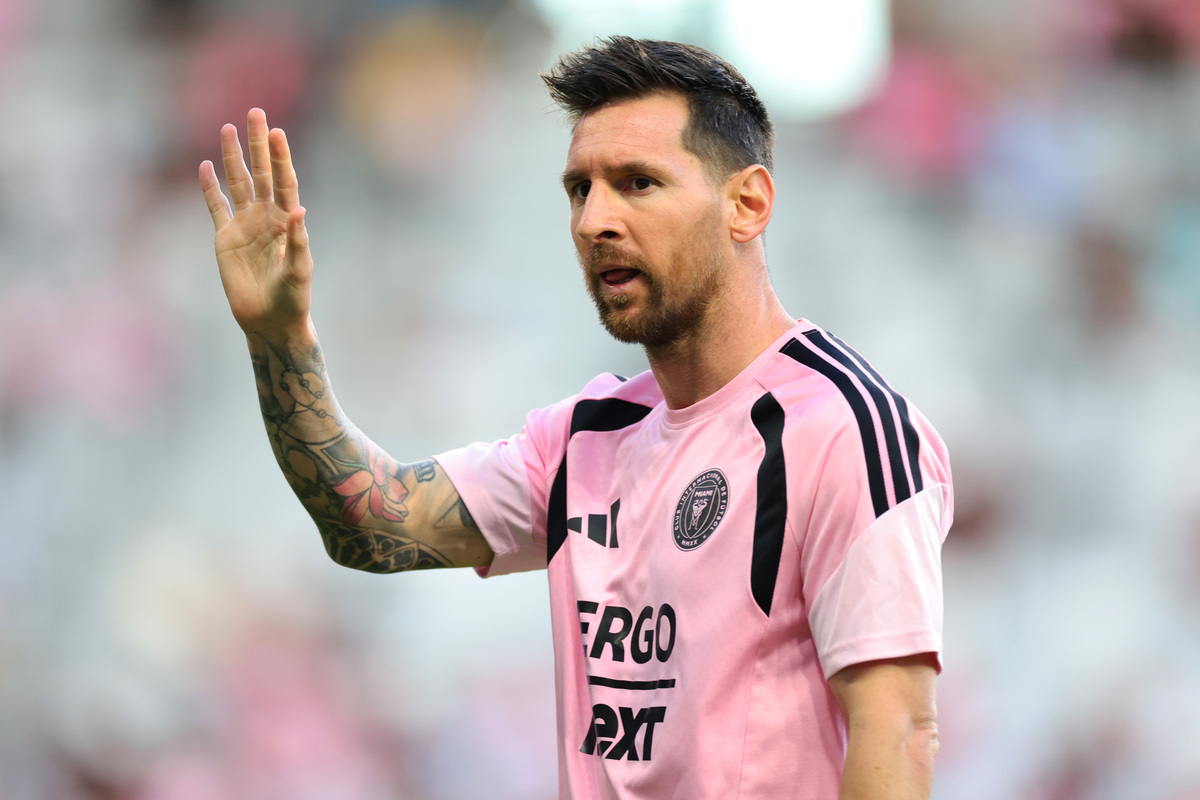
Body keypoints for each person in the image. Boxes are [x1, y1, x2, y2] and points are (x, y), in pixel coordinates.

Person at [199, 35, 952, 800]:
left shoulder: (843, 429)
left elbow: (898, 731)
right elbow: (369, 522)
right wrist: (279, 336)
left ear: (747, 204)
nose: (595, 220)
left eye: (637, 183)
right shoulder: (583, 441)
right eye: (579, 189)